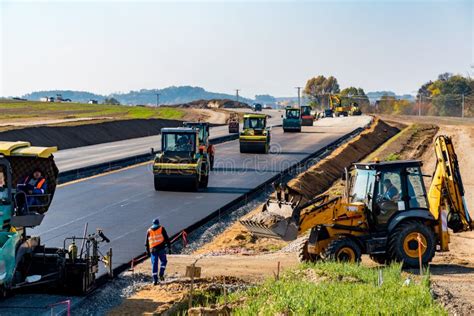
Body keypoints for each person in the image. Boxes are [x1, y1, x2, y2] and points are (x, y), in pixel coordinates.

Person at [145, 218, 171, 285]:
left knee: (154, 264)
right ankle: (161, 273)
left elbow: (147, 243)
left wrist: (147, 252)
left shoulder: (149, 231)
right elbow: (166, 238)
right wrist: (169, 247)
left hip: (153, 250)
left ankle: (155, 280)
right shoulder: (161, 228)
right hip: (161, 249)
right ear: (158, 223)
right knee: (164, 261)